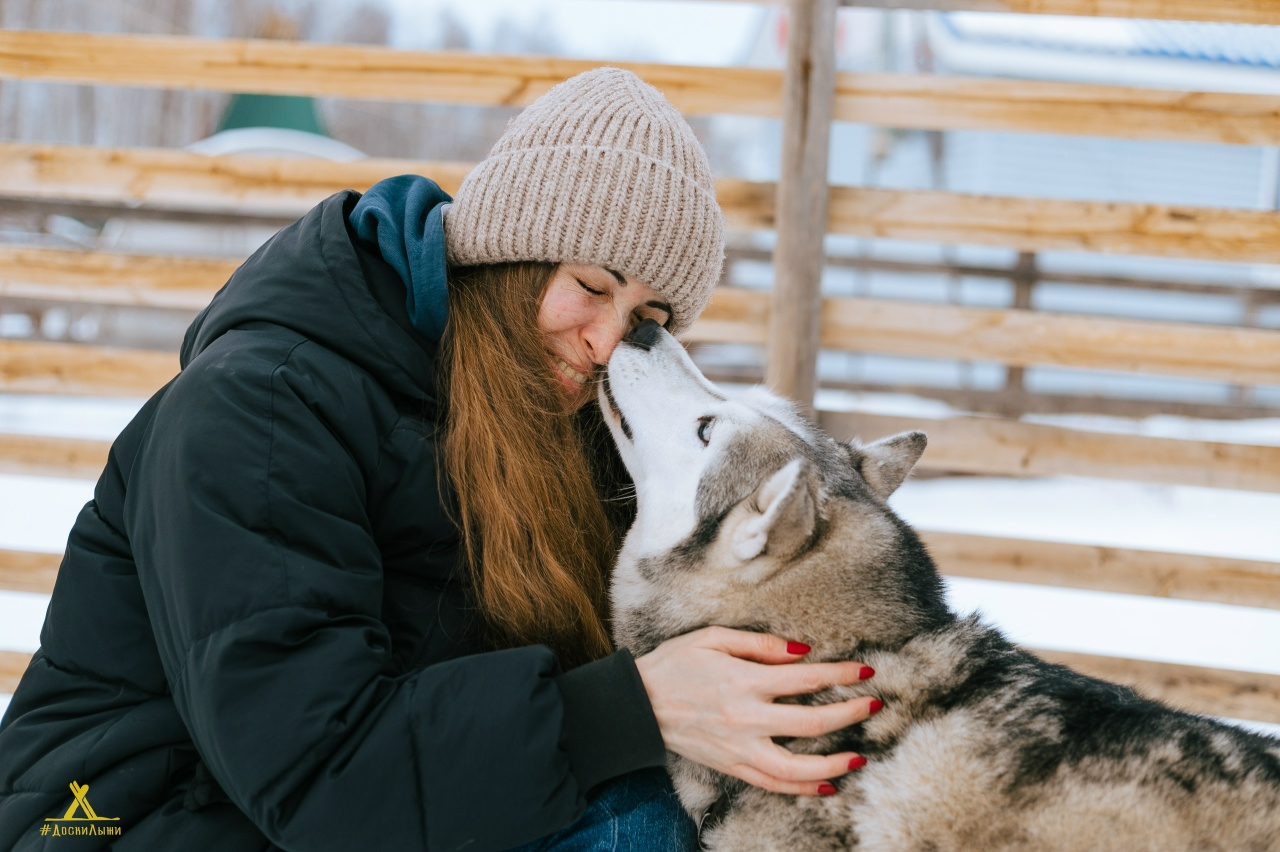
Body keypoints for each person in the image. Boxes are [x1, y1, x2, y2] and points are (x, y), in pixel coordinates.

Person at [0, 68, 880, 851]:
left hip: (348, 812)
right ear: (508, 253)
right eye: (591, 285)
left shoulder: (567, 415)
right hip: (129, 815)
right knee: (638, 821)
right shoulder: (263, 404)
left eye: (647, 320)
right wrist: (637, 706)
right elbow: (314, 771)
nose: (608, 341)